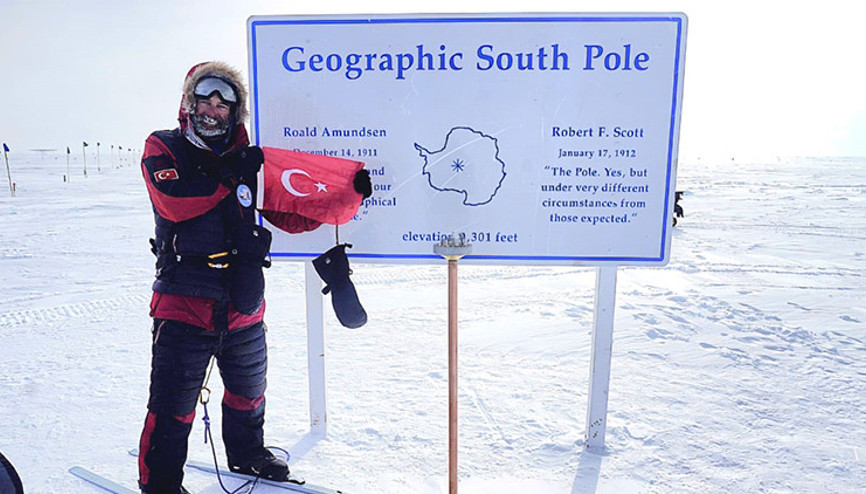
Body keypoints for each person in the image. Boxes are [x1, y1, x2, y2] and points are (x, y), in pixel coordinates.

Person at [137, 61, 371, 494]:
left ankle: (247, 454)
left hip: (243, 300)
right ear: (190, 101)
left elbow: (290, 214)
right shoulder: (164, 147)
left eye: (224, 100)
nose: (213, 107)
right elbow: (175, 201)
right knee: (174, 404)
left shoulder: (248, 161)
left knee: (249, 391)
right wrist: (233, 174)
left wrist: (347, 192)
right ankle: (161, 483)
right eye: (205, 96)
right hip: (184, 301)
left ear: (235, 110)